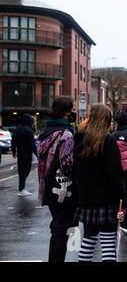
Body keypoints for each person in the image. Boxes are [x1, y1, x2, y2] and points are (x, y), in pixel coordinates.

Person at [74, 104, 126, 262]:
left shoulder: (79, 138)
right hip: (107, 201)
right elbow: (115, 175)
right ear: (107, 120)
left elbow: (75, 170)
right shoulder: (108, 142)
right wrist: (121, 198)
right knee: (108, 244)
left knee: (88, 242)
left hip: (86, 199)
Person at [36, 97, 77, 262]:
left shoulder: (45, 133)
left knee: (57, 226)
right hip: (62, 188)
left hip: (46, 185)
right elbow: (67, 164)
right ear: (66, 112)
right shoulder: (65, 135)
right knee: (62, 229)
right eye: (72, 109)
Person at [11, 114, 37, 196]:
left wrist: (13, 151)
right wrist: (38, 154)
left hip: (20, 152)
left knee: (21, 170)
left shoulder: (17, 129)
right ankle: (21, 189)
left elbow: (13, 141)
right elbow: (32, 144)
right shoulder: (29, 130)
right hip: (27, 153)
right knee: (26, 170)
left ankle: (21, 189)